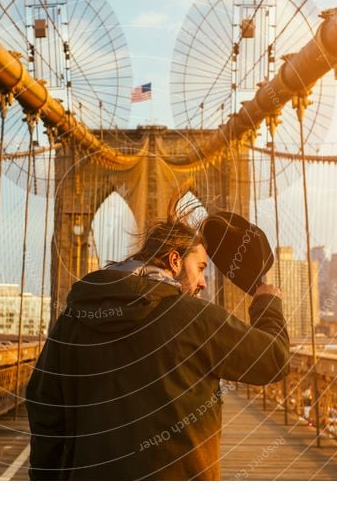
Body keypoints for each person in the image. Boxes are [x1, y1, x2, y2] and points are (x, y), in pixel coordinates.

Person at [25, 203, 290, 480]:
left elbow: (45, 406)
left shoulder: (74, 318)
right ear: (174, 261)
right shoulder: (196, 319)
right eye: (200, 268)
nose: (203, 283)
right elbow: (274, 359)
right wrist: (267, 304)